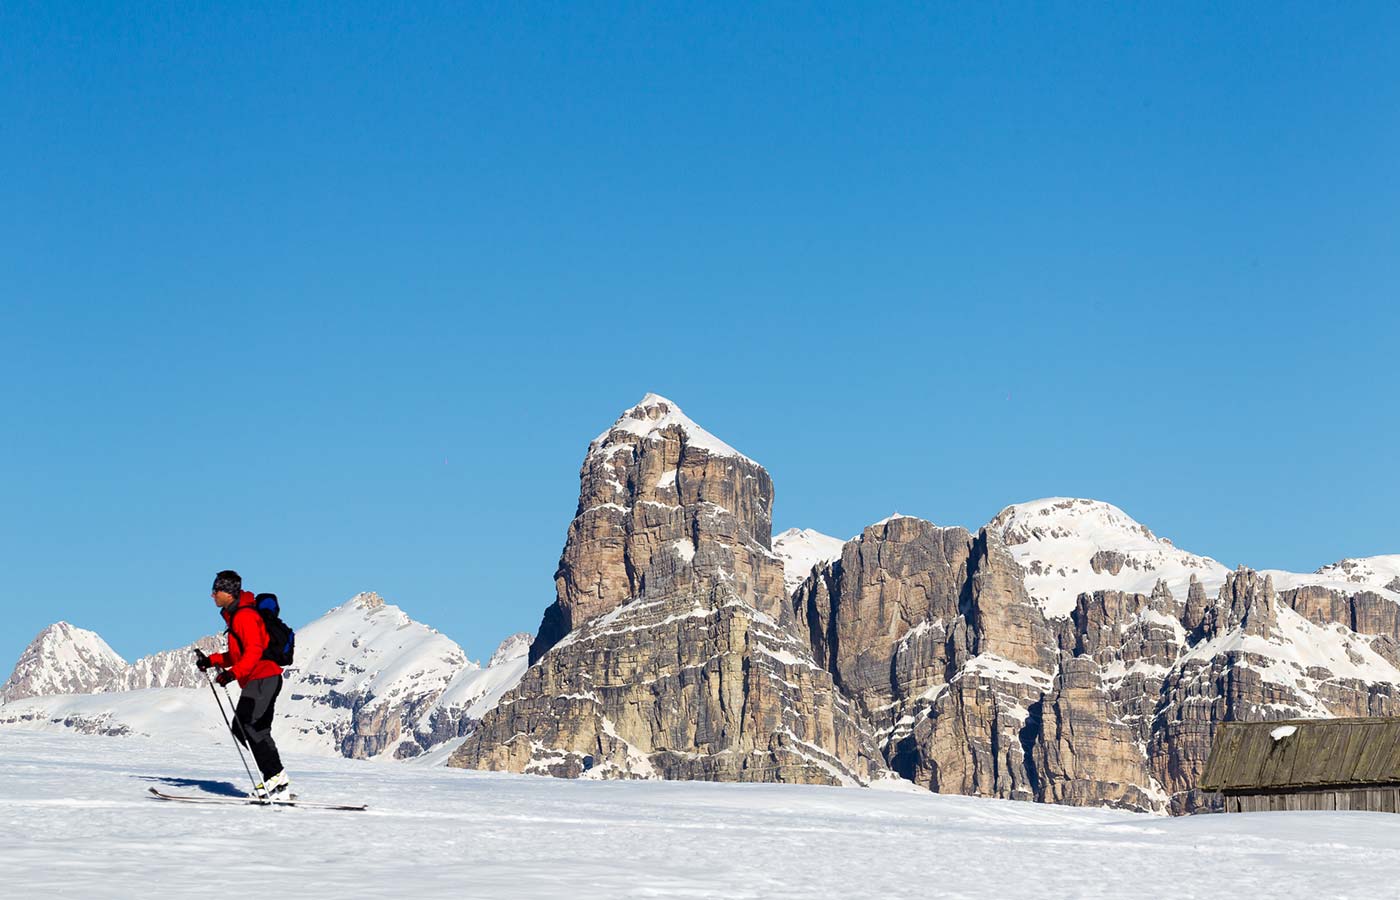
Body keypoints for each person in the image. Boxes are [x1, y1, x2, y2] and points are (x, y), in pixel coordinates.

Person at [195, 569, 290, 800]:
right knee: (248, 727)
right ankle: (276, 780)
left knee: (248, 725)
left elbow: (255, 651)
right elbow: (240, 653)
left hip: (263, 677)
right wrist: (213, 660)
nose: (212, 595)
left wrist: (232, 675)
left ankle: (275, 778)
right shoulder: (237, 615)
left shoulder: (245, 616)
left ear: (228, 592)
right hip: (259, 679)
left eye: (216, 590)